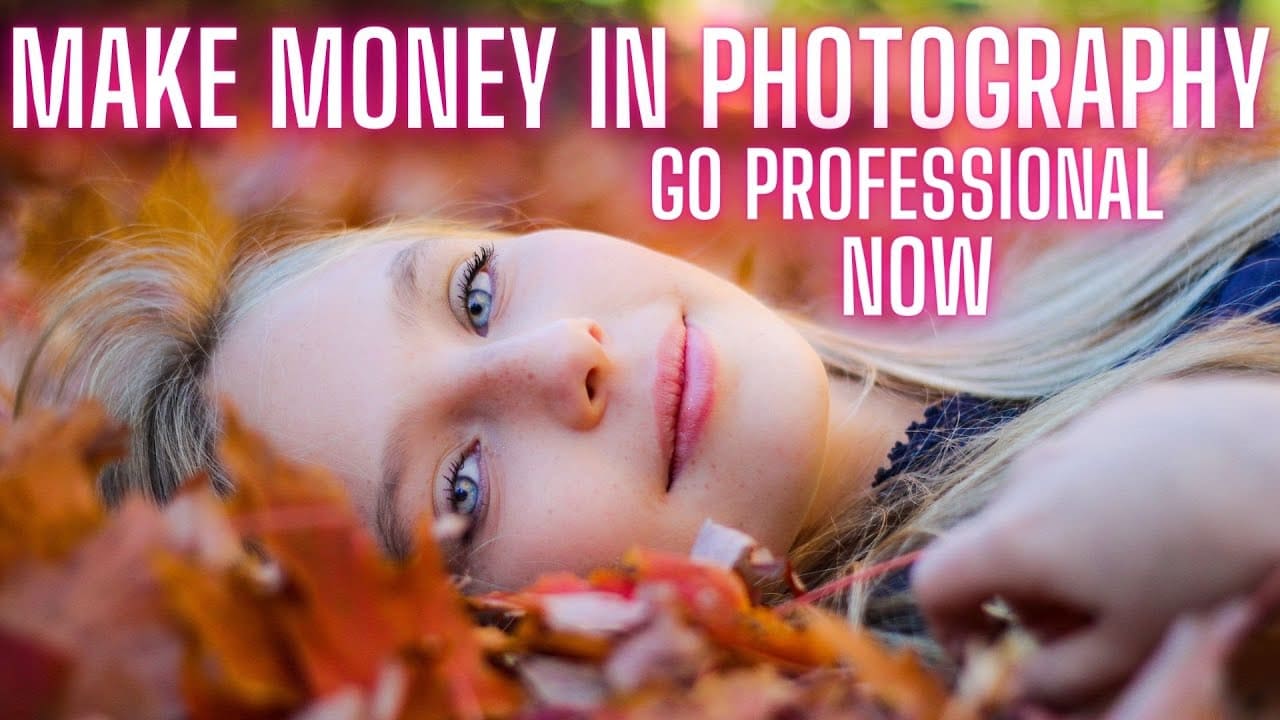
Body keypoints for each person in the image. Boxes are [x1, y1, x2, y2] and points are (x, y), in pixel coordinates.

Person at [12, 157, 1280, 711]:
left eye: (473, 293)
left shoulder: (1149, 250)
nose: (561, 359)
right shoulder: (1055, 647)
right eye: (461, 479)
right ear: (524, 642)